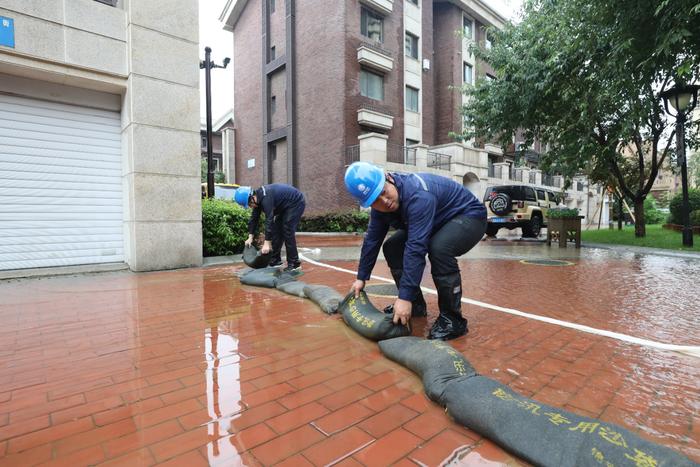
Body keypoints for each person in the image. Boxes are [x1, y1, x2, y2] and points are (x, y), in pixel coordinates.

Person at [344, 162, 487, 340]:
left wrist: (403, 297)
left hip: (468, 215)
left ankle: (453, 320)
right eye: (375, 201)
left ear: (389, 179)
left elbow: (416, 248)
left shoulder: (418, 196)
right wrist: (361, 277)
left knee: (439, 248)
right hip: (437, 219)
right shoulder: (380, 208)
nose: (385, 202)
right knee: (392, 246)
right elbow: (372, 240)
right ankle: (416, 306)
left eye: (384, 193)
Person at [234, 184, 306, 272]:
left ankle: (294, 263)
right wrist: (250, 237)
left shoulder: (266, 198)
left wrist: (267, 243)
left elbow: (269, 220)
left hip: (296, 202)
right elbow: (254, 219)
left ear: (252, 197)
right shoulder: (257, 200)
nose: (250, 206)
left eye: (249, 204)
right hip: (285, 206)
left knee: (287, 230)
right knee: (277, 231)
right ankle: (275, 260)